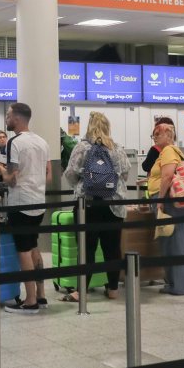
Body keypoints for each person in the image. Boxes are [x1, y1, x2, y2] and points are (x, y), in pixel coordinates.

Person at [61, 112, 130, 301]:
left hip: (87, 205)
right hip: (113, 206)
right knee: (112, 248)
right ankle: (114, 290)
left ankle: (81, 291)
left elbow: (70, 173)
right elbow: (125, 173)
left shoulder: (82, 147)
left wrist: (81, 184)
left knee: (86, 248)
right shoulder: (116, 148)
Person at [0, 102, 51, 314]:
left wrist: (0, 171)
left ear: (17, 118)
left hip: (21, 203)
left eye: (8, 115)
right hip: (38, 201)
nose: (6, 119)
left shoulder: (14, 143)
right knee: (34, 246)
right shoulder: (42, 142)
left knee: (24, 251)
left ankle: (31, 300)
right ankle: (42, 294)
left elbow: (12, 179)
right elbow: (48, 174)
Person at [145, 121, 184, 295]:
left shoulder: (168, 151)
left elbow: (167, 176)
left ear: (168, 135)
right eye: (154, 134)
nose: (155, 137)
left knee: (174, 242)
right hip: (171, 200)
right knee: (174, 240)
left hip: (169, 201)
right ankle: (176, 283)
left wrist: (161, 199)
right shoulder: (172, 151)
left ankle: (178, 285)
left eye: (158, 134)